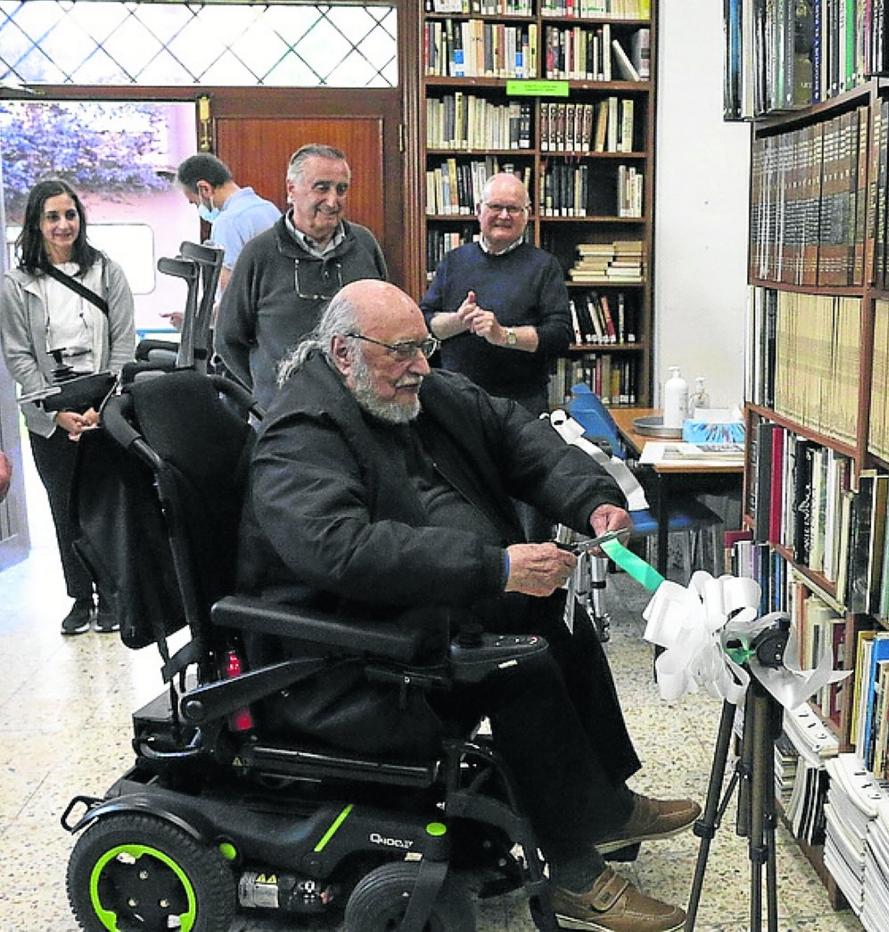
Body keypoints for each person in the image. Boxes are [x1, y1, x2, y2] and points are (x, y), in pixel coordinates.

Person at [238, 279, 695, 932]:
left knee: (552, 613)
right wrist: (497, 566)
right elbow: (338, 550)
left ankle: (603, 806)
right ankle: (572, 871)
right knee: (518, 663)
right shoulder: (300, 434)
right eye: (401, 351)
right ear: (343, 354)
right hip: (338, 652)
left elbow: (521, 440)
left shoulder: (416, 394)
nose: (422, 365)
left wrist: (589, 499)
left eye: (424, 346)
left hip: (412, 615)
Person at [0, 179, 135, 635]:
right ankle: (80, 596)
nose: (64, 225)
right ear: (37, 224)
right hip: (49, 410)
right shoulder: (17, 285)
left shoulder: (107, 272)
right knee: (65, 509)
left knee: (105, 504)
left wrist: (104, 406)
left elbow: (123, 343)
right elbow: (18, 353)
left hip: (102, 404)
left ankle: (113, 595)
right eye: (53, 217)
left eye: (70, 215)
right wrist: (52, 411)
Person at [214, 143, 387, 408]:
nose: (333, 200)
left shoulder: (365, 246)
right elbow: (228, 339)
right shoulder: (259, 253)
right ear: (291, 189)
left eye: (341, 189)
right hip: (283, 415)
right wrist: (268, 391)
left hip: (357, 410)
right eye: (322, 187)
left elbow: (384, 325)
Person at [421, 171, 572, 416]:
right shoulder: (453, 261)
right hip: (456, 402)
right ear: (479, 210)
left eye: (513, 209)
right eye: (496, 207)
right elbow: (425, 322)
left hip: (521, 406)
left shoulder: (544, 266)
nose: (503, 216)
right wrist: (459, 321)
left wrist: (503, 335)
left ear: (526, 215)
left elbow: (559, 336)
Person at [174, 152, 281, 297]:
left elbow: (230, 292)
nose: (199, 208)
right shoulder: (269, 208)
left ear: (204, 189)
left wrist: (201, 316)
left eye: (195, 202)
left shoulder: (228, 222)